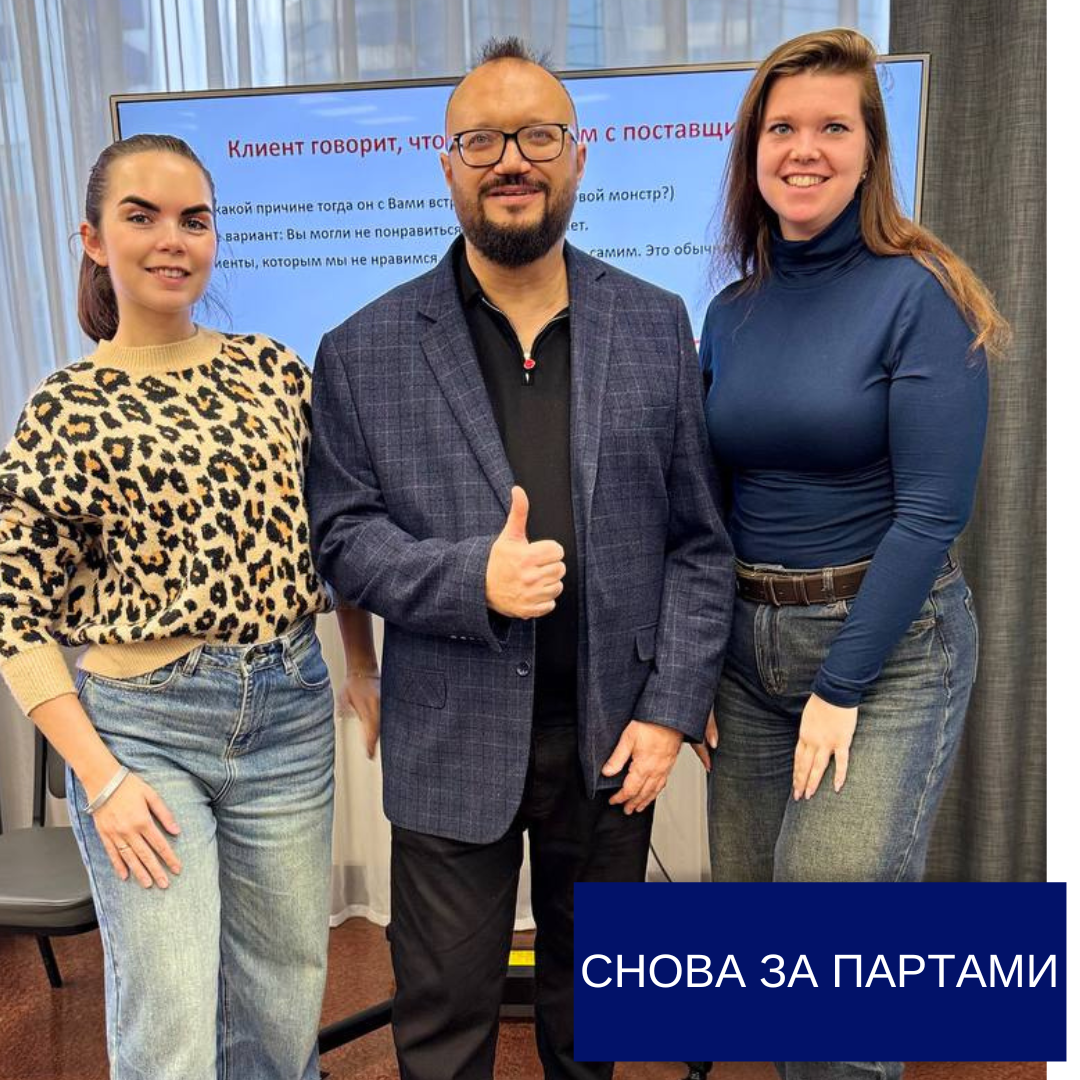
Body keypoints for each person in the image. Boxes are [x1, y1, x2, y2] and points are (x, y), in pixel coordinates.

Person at [305, 36, 733, 1080]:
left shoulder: (655, 324)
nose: (511, 160)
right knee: (444, 1031)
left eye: (538, 136)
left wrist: (672, 709)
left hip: (615, 741)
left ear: (578, 155)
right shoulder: (361, 350)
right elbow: (343, 541)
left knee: (594, 1028)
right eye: (482, 140)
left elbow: (699, 542)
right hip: (450, 738)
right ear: (446, 162)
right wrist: (472, 580)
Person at [0, 133, 380, 1080]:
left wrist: (361, 663)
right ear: (94, 239)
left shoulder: (273, 370)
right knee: (169, 1022)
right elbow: (14, 614)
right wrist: (99, 779)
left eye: (194, 219)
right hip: (144, 734)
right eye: (143, 216)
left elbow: (330, 532)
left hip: (288, 709)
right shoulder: (65, 407)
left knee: (281, 1007)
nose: (173, 240)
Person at [696, 28, 1010, 1080]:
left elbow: (932, 513)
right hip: (746, 656)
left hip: (886, 648)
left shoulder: (921, 293)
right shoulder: (730, 312)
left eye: (833, 127)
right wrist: (699, 666)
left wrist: (839, 686)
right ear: (752, 151)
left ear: (872, 149)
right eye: (781, 128)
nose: (804, 149)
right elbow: (711, 504)